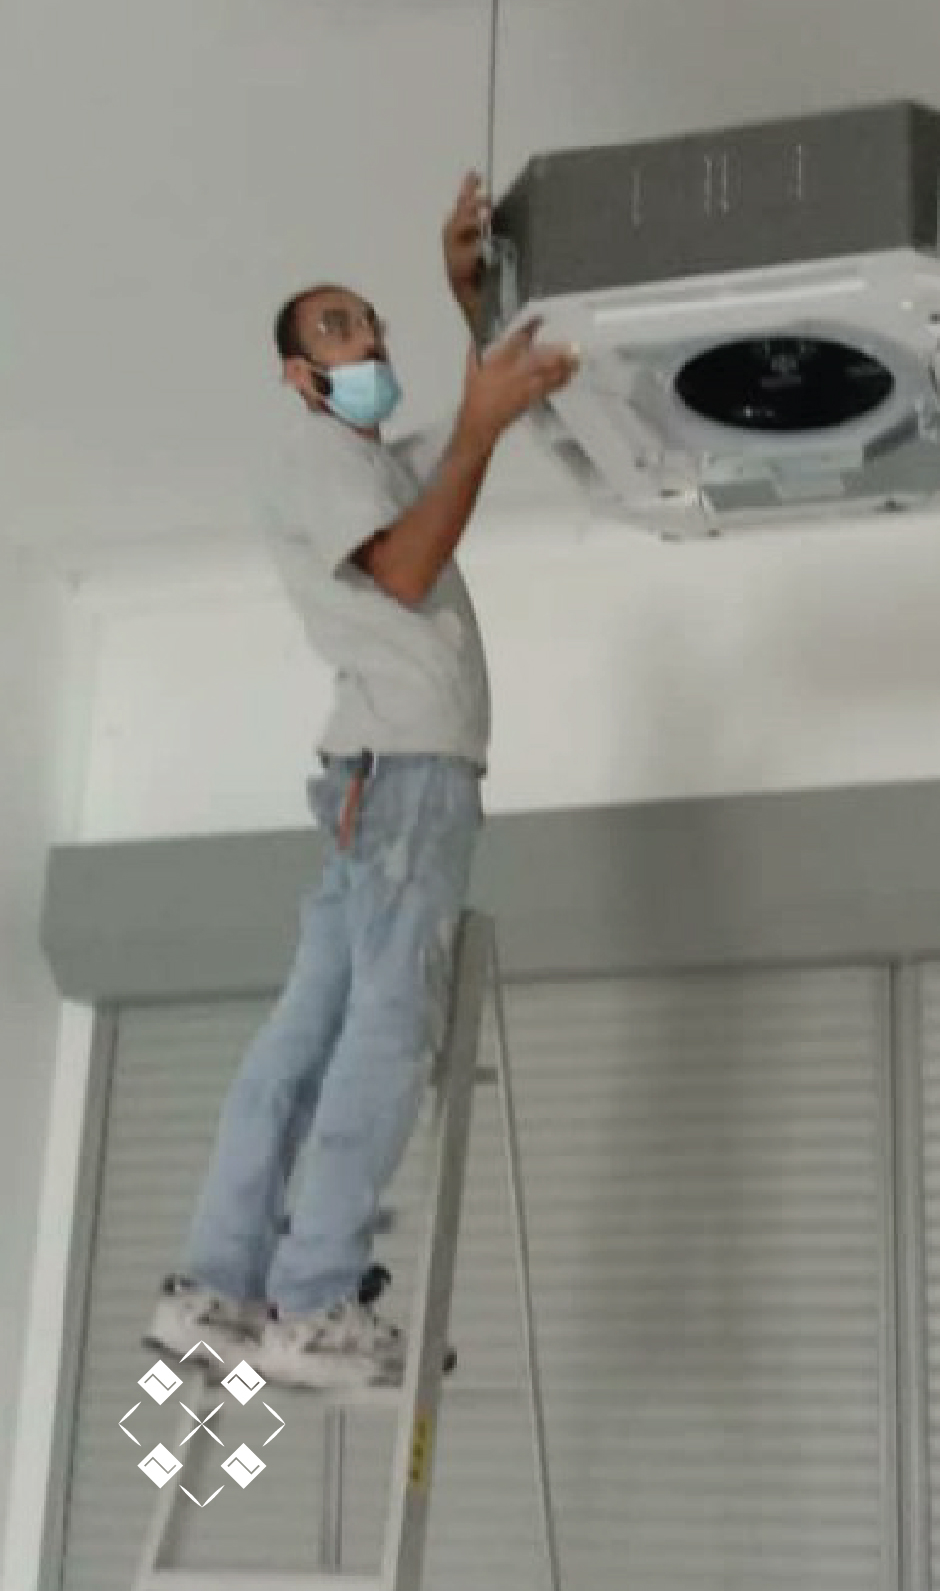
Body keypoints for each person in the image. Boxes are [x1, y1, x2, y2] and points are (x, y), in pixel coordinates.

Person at [142, 174, 577, 1390]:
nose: (369, 339)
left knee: (309, 1029)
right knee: (384, 1030)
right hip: (408, 782)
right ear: (296, 371)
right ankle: (318, 1297)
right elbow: (405, 567)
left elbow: (474, 432)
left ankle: (220, 1285)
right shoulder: (319, 453)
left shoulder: (371, 461)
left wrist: (466, 298)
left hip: (374, 777)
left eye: (372, 322)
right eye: (339, 328)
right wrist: (476, 425)